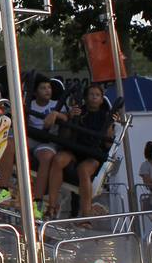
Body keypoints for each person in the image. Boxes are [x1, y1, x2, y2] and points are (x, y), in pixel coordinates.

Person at [0, 77, 67, 217]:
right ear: (35, 92)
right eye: (43, 88)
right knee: (9, 144)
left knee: (47, 157)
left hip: (46, 142)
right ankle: (4, 189)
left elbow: (67, 118)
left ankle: (37, 202)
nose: (47, 90)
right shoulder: (28, 104)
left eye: (49, 88)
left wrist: (56, 114)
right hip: (30, 138)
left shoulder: (57, 105)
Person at [49, 84, 114, 219]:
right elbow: (64, 136)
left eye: (97, 95)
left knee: (83, 169)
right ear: (85, 97)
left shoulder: (106, 117)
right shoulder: (78, 111)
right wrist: (70, 117)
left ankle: (86, 215)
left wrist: (110, 127)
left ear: (102, 99)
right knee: (58, 159)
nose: (94, 97)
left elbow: (108, 144)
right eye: (91, 94)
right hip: (74, 150)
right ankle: (51, 205)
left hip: (92, 154)